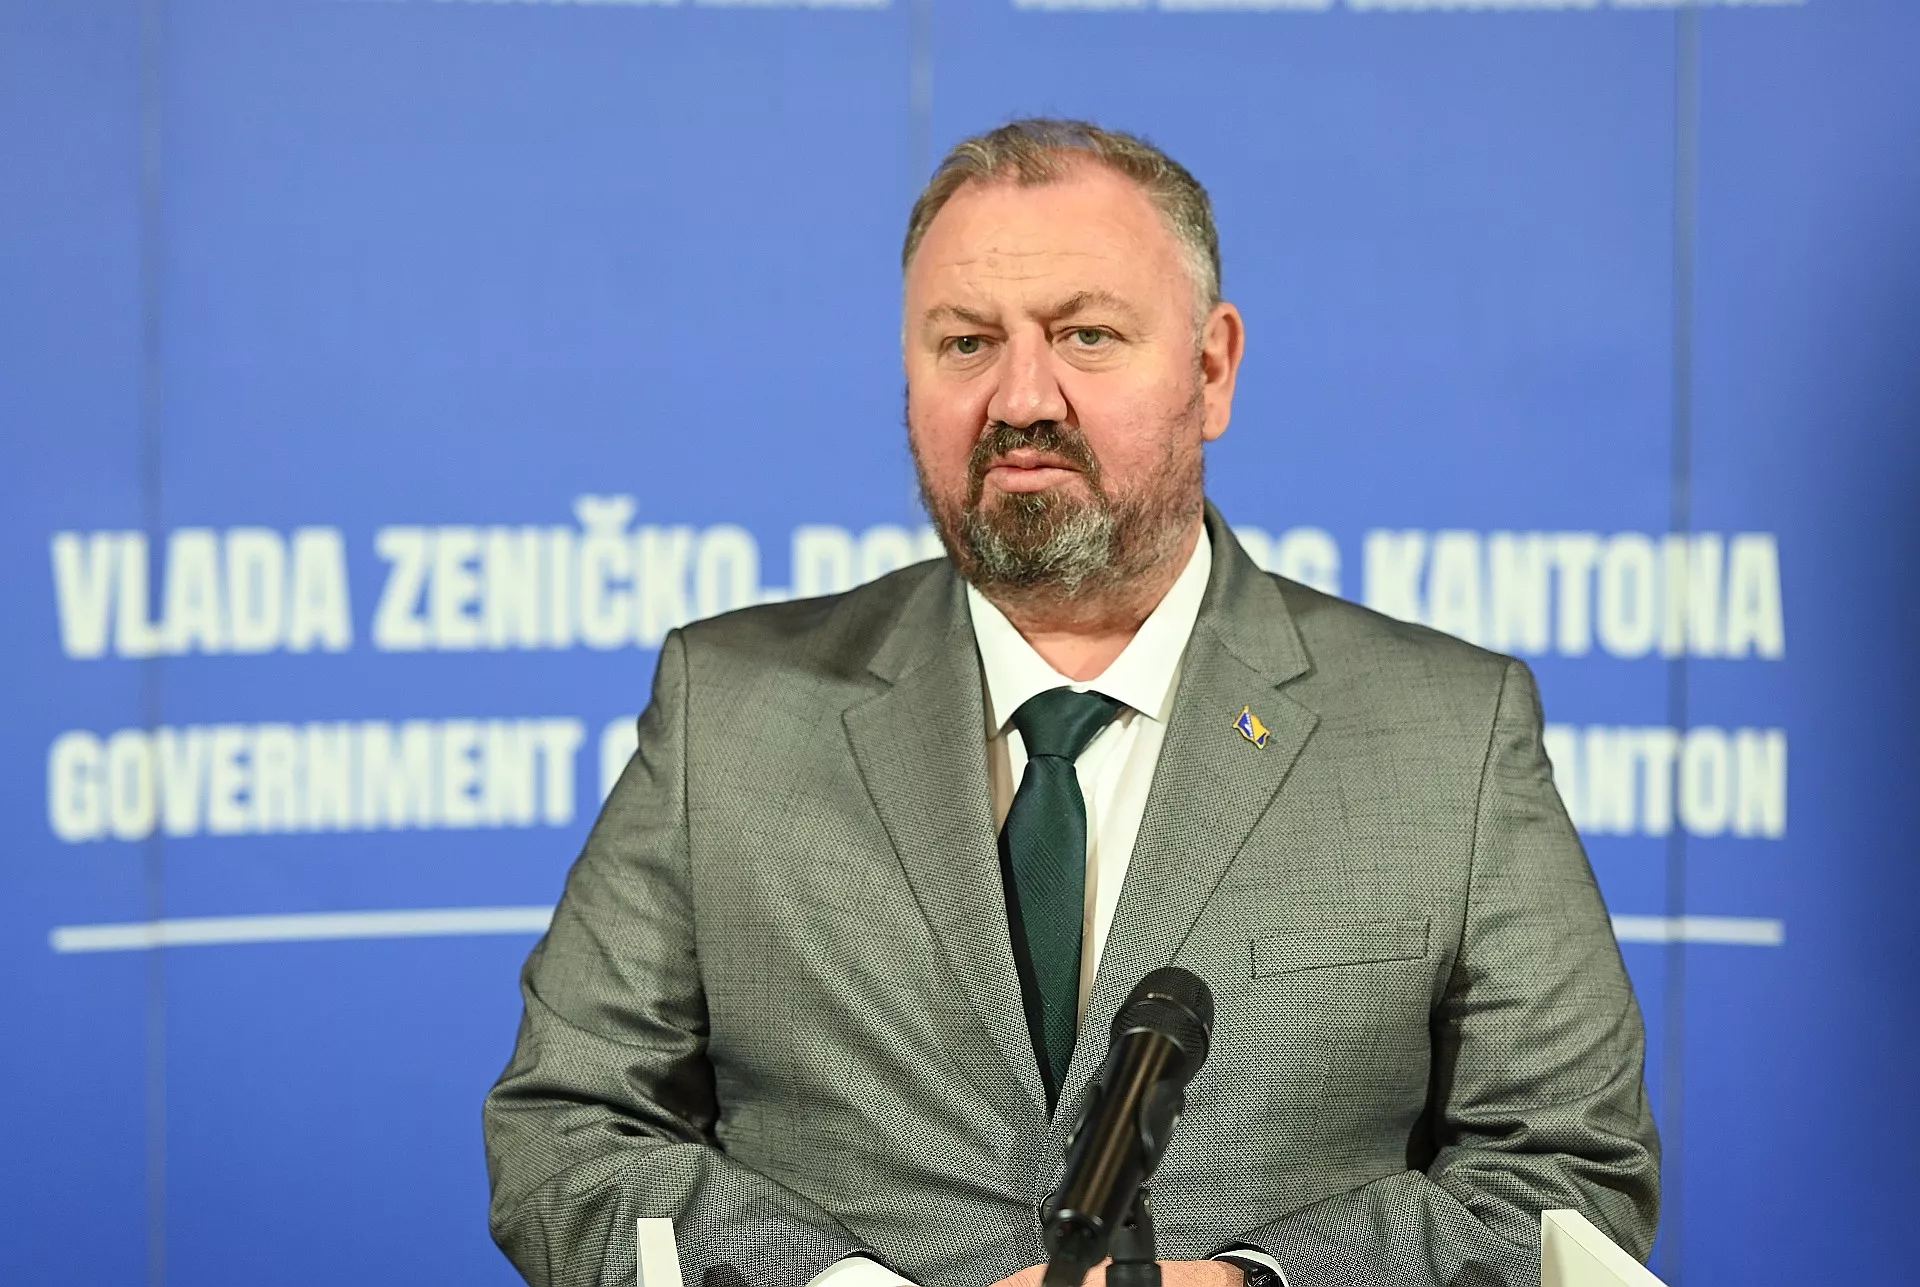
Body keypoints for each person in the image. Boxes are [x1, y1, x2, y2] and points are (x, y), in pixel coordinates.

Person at [483, 118, 1659, 1287]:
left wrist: (1256, 1286)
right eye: (966, 343)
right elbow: (567, 1133)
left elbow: (1567, 1177)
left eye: (1086, 336)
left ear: (1211, 369)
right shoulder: (728, 711)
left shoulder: (1450, 735)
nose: (1020, 397)